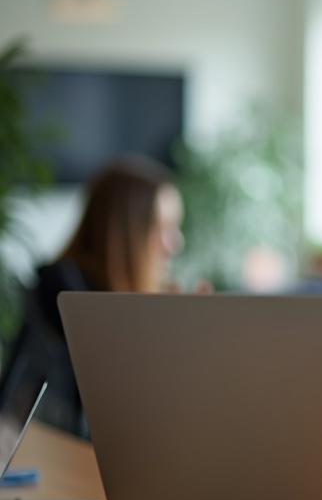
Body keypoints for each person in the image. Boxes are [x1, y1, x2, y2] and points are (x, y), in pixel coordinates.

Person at [1, 155, 184, 436]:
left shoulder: (90, 295)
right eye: (163, 228)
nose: (175, 244)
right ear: (127, 233)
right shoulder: (65, 295)